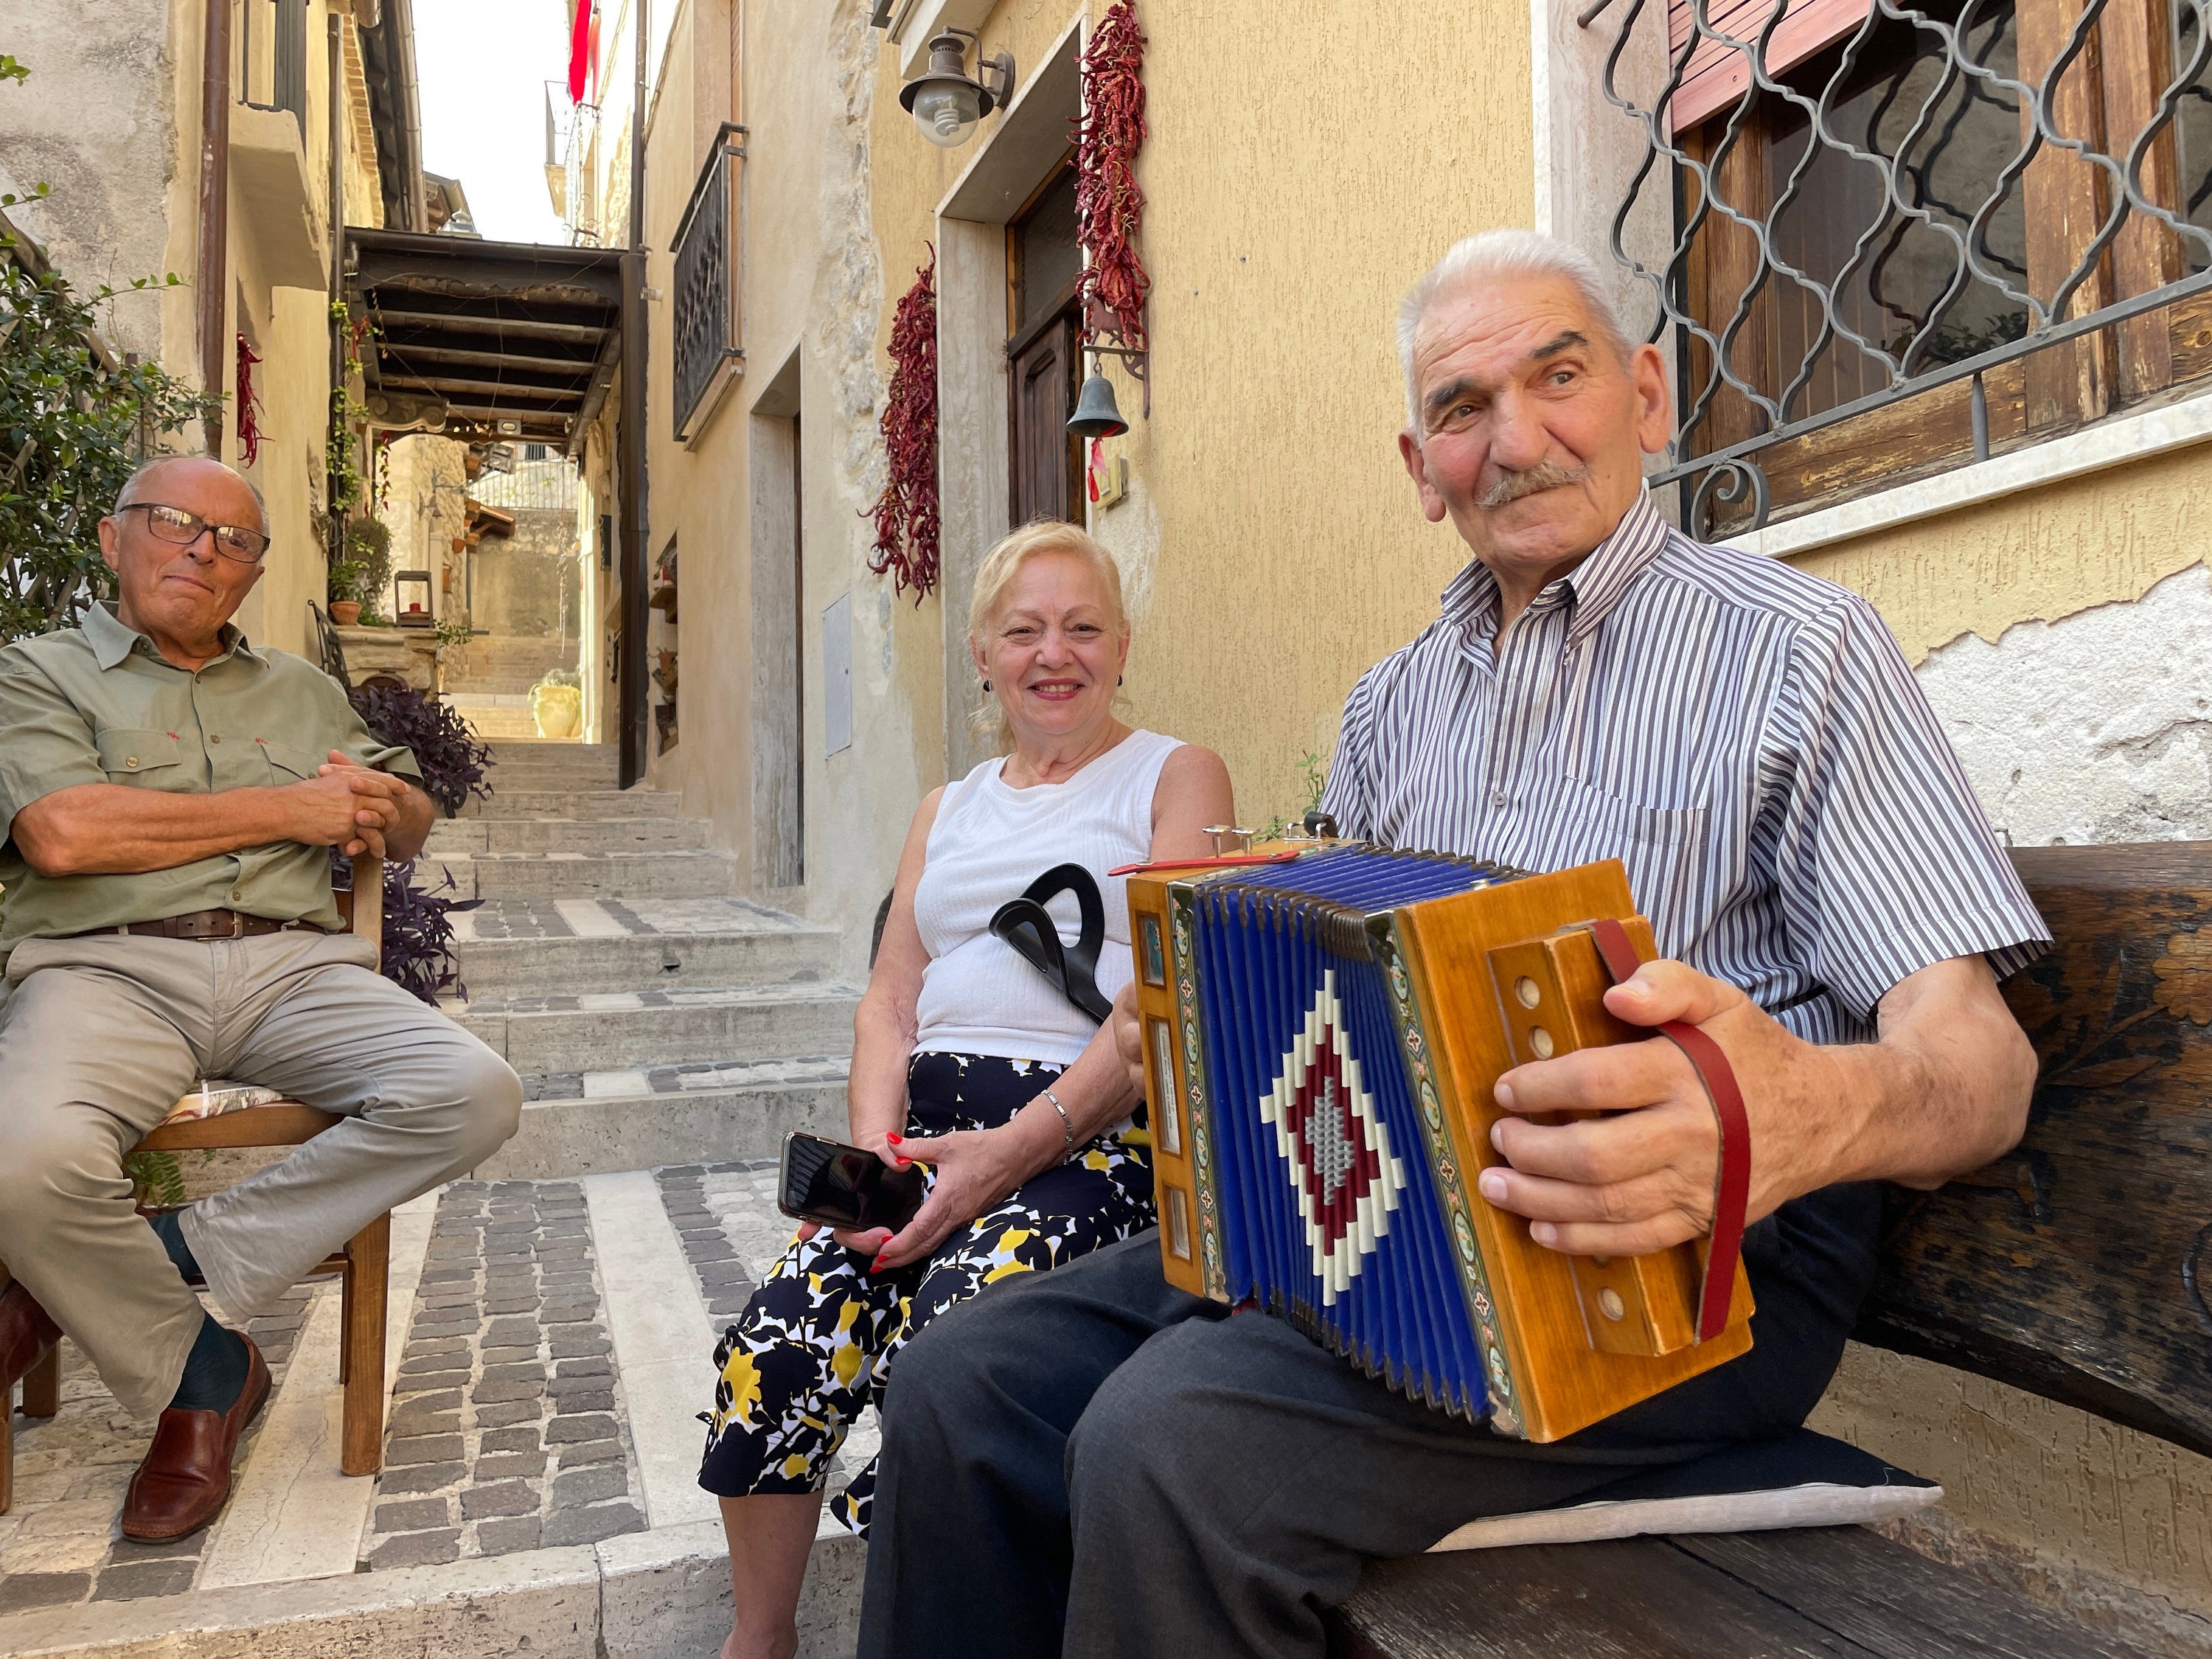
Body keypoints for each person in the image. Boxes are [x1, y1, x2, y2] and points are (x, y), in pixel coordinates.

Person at [853, 230, 2051, 1659]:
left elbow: (1983, 1066)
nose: (1519, 438)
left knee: (1166, 1442)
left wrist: (1790, 1111)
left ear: (1648, 398)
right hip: (1384, 1222)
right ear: (1421, 469)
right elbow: (1250, 988)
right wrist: (1011, 1150)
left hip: (1675, 1274)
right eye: (1464, 409)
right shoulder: (1391, 706)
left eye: (1560, 376)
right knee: (954, 1379)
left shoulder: (1803, 650)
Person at [699, 520, 1234, 1659]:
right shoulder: (946, 806)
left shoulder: (1174, 774)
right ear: (984, 654)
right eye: (1025, 630)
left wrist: (1015, 1146)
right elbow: (889, 1001)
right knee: (778, 1336)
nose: (1056, 653)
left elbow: (1162, 1008)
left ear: (1124, 646)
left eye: (1083, 627)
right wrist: (872, 1156)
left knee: (954, 1347)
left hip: (1085, 1144)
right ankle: (762, 1639)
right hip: (923, 1143)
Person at [0, 456, 522, 1543]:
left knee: (473, 1090)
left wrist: (393, 803)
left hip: (296, 968)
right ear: (114, 540)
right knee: (22, 1160)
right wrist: (285, 808)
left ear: (252, 574)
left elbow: (410, 812)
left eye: (232, 539)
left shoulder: (302, 688)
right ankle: (206, 1371)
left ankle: (172, 1257)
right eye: (175, 523)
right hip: (105, 969)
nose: (202, 548)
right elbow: (61, 835)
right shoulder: (38, 673)